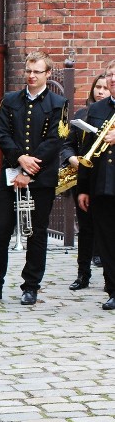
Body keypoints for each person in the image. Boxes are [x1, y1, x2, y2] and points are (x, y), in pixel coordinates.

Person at [0, 51, 68, 306]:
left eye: (37, 71)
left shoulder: (59, 104)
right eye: (28, 70)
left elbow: (55, 140)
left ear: (48, 74)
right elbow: (2, 134)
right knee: (0, 229)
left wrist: (28, 170)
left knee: (36, 233)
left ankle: (31, 287)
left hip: (41, 178)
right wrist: (19, 161)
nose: (31, 76)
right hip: (11, 174)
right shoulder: (10, 100)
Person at [61, 73, 108, 290]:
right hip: (84, 177)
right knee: (85, 228)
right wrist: (72, 158)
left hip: (105, 178)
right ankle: (83, 274)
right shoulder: (84, 114)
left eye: (104, 88)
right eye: (97, 87)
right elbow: (68, 143)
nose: (100, 91)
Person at [77, 60, 115, 311]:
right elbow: (86, 149)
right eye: (110, 74)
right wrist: (83, 187)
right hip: (102, 183)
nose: (112, 79)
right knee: (107, 239)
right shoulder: (98, 108)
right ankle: (113, 289)